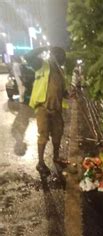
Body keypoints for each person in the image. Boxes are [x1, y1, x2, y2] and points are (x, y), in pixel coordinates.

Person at [24, 46, 69, 175]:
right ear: (54, 56)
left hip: (56, 110)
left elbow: (62, 91)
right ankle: (40, 163)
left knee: (57, 135)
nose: (62, 60)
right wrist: (44, 47)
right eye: (61, 57)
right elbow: (28, 57)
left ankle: (56, 157)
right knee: (43, 136)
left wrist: (68, 95)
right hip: (43, 108)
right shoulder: (41, 65)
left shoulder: (61, 72)